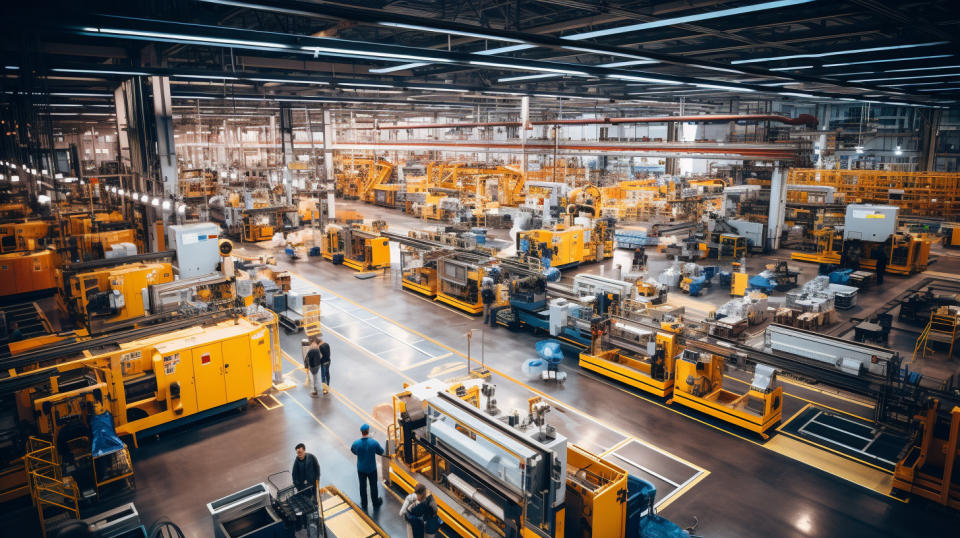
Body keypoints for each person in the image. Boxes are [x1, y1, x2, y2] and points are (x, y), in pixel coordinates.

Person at [350, 423, 384, 511]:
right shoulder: (373, 442)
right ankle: (375, 502)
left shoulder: (356, 443)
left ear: (361, 432)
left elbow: (353, 450)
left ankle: (364, 504)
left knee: (362, 486)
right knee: (373, 486)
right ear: (368, 431)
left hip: (361, 469)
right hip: (372, 468)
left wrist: (359, 454)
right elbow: (381, 452)